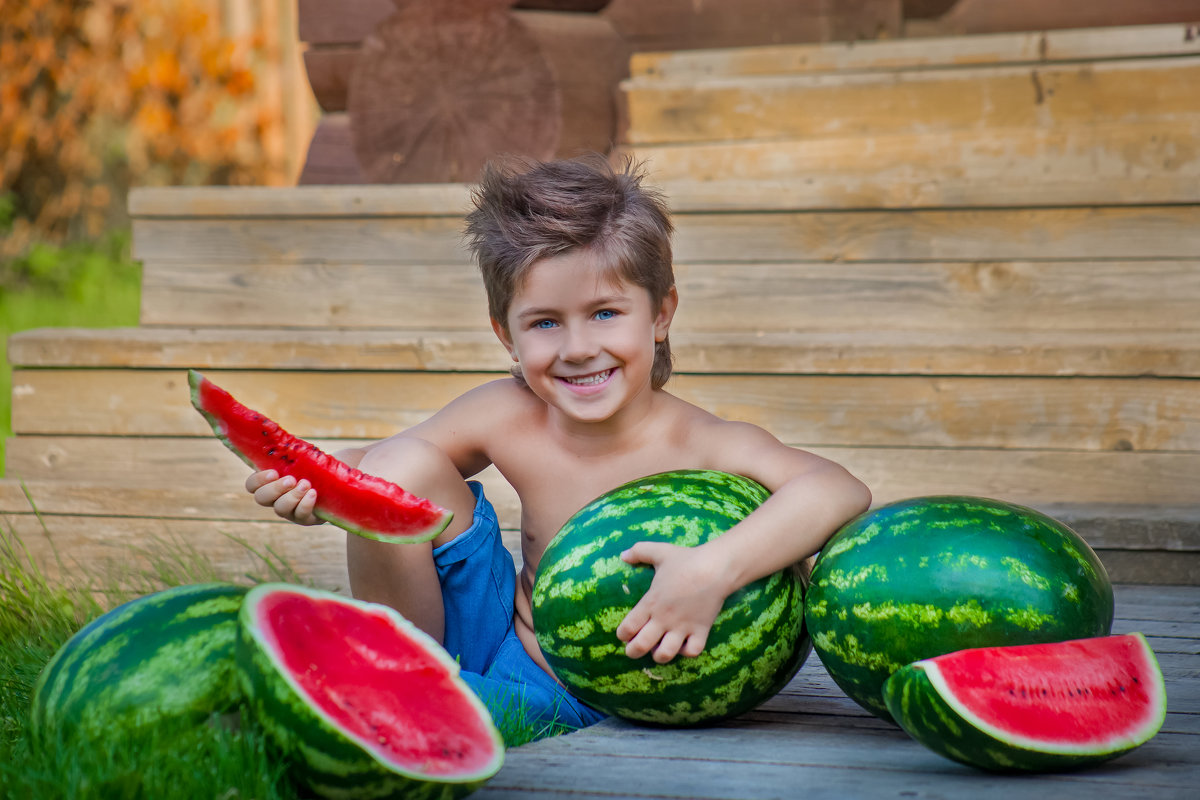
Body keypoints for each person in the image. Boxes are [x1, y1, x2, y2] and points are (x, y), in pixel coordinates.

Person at [244, 154, 871, 733]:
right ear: (506, 336)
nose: (577, 348)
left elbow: (837, 488)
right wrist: (316, 483)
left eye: (605, 313)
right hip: (489, 636)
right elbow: (378, 471)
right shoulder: (506, 412)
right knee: (397, 466)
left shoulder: (699, 440)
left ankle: (400, 700)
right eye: (545, 323)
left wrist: (714, 568)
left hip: (588, 690)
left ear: (660, 314)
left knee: (327, 699)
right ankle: (408, 670)